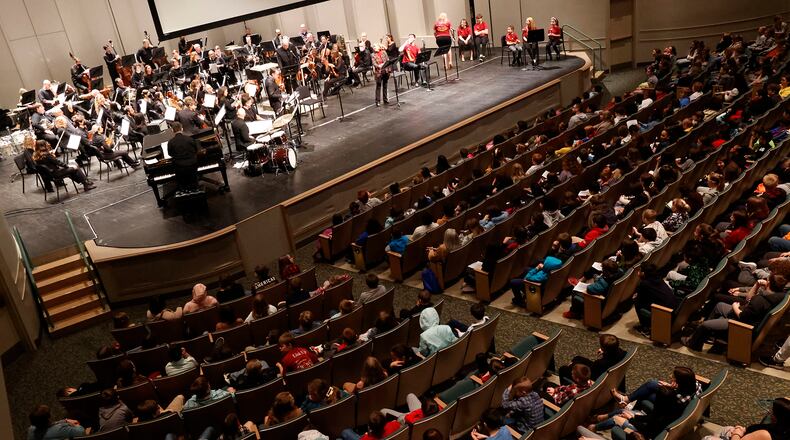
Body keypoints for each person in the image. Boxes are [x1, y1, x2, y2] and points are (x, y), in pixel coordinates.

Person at [683, 275, 787, 351]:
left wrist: (735, 307)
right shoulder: (779, 296)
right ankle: (706, 336)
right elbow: (748, 301)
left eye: (767, 279)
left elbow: (743, 316)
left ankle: (693, 344)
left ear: (768, 283)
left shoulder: (761, 300)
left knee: (705, 325)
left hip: (742, 326)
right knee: (719, 305)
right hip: (746, 316)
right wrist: (756, 285)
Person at [609, 367, 701, 439]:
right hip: (669, 408)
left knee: (619, 415)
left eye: (673, 377)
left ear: (679, 382)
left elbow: (651, 424)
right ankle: (627, 401)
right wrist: (670, 387)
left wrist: (632, 418)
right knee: (652, 384)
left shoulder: (676, 400)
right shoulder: (696, 385)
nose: (670, 376)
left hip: (655, 424)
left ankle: (626, 404)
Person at [558, 334, 626, 382]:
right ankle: (573, 363)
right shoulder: (623, 353)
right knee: (577, 358)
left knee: (563, 369)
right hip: (607, 368)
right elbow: (612, 355)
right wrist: (605, 353)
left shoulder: (599, 363)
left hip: (595, 376)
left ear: (604, 349)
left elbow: (590, 375)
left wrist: (572, 366)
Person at [167, 121, 199, 191]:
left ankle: (183, 189)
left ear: (172, 130)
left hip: (180, 168)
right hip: (193, 166)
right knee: (194, 179)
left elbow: (170, 154)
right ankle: (195, 188)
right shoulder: (190, 139)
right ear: (182, 129)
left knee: (181, 180)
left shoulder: (171, 142)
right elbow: (196, 151)